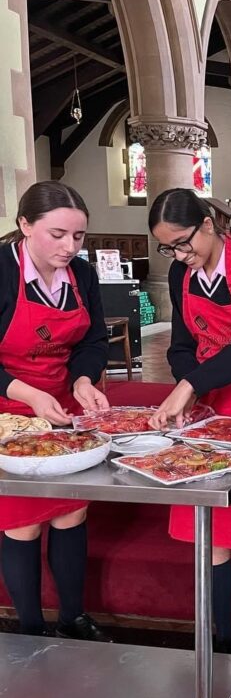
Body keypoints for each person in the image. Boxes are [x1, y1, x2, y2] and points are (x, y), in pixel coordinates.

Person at [147, 188, 231, 657]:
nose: (179, 256)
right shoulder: (183, 274)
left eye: (183, 243)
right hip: (204, 393)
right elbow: (181, 346)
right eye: (169, 248)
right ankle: (221, 641)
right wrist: (192, 386)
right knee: (206, 520)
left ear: (207, 223)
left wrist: (190, 385)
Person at [0, 181, 110, 640]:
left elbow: (94, 340)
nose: (69, 247)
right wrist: (26, 394)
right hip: (10, 407)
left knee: (70, 512)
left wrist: (83, 379)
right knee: (23, 523)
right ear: (25, 225)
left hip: (64, 405)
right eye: (58, 235)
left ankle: (73, 617)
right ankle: (30, 629)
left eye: (79, 237)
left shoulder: (81, 276)